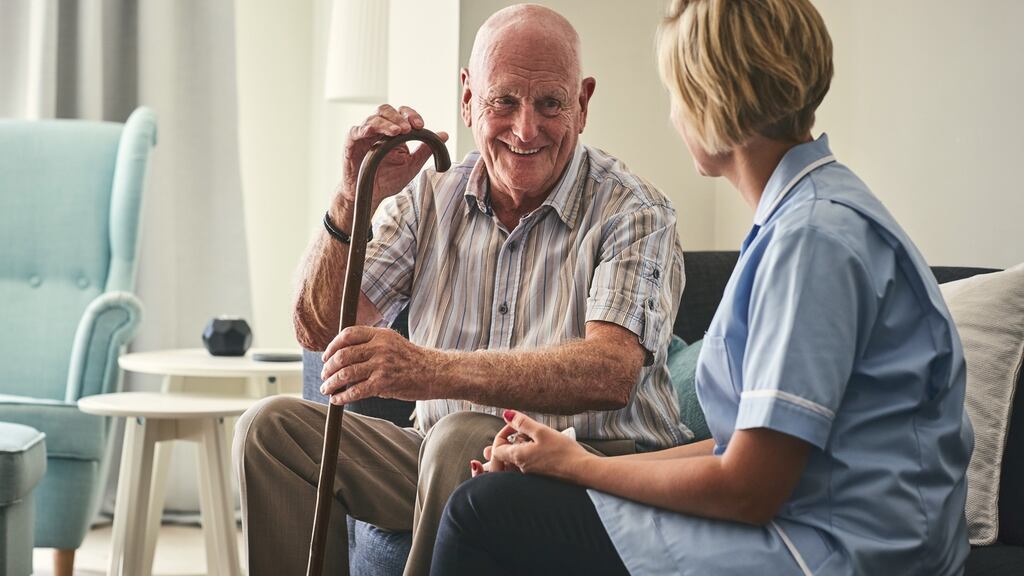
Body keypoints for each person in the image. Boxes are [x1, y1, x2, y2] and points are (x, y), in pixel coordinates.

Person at [430, 0, 974, 574]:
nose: (672, 116)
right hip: (811, 523)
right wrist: (567, 455)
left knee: (483, 512)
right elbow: (744, 450)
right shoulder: (806, 217)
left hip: (830, 552)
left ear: (711, 100)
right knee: (506, 499)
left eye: (675, 93)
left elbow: (747, 489)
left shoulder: (812, 241)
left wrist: (579, 467)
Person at [233, 4, 688, 575]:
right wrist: (352, 197)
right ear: (469, 97)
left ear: (583, 102)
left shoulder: (635, 211)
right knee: (269, 431)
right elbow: (318, 327)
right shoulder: (430, 199)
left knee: (457, 436)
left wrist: (429, 370)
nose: (526, 129)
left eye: (550, 103)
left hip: (591, 470)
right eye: (503, 101)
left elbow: (610, 371)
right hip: (439, 460)